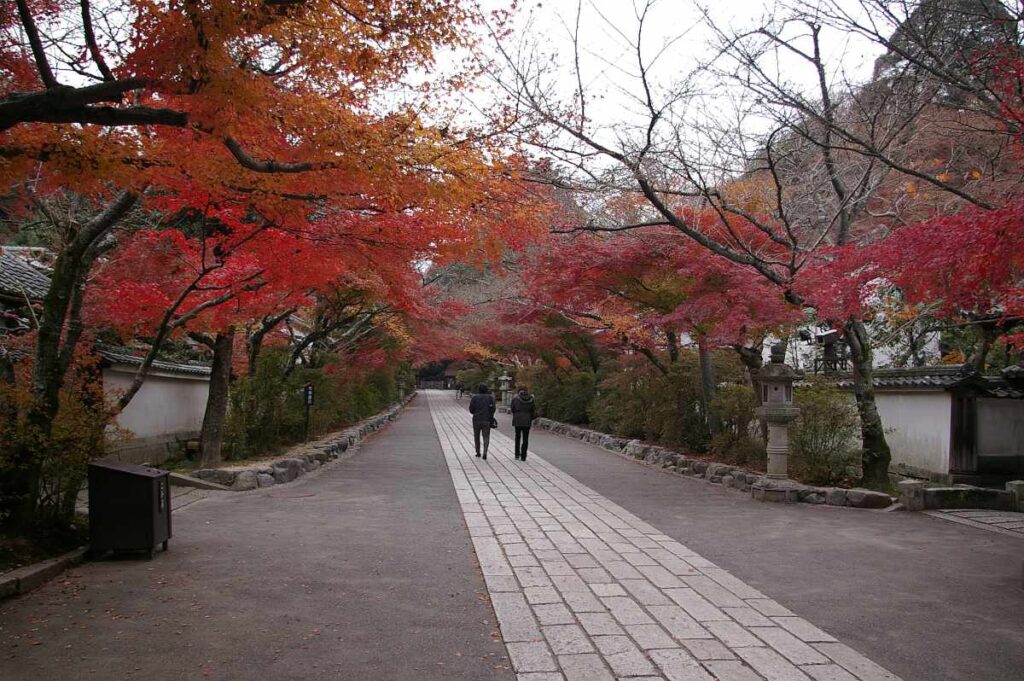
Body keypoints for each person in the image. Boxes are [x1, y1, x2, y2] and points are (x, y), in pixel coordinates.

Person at [468, 383, 496, 459]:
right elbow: (493, 409)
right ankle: (485, 452)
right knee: (486, 436)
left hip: (476, 419)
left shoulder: (475, 398)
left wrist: (475, 412)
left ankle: (478, 452)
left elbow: (471, 409)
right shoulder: (490, 398)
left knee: (476, 436)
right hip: (486, 419)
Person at [510, 386, 536, 461]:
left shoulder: (515, 399)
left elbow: (512, 409)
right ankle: (523, 456)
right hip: (527, 420)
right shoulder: (531, 399)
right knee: (525, 438)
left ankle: (517, 454)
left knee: (517, 437)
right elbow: (533, 410)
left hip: (517, 420)